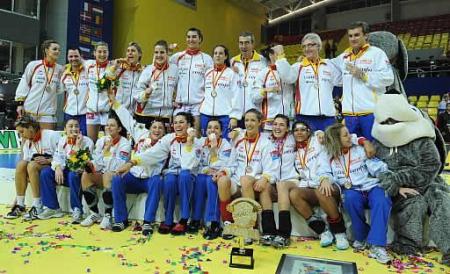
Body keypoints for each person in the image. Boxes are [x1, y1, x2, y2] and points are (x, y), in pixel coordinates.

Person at [372, 93, 450, 266]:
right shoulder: (378, 141)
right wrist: (394, 184)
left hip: (428, 181)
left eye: (392, 121)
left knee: (441, 198)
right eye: (385, 122)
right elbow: (374, 167)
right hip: (398, 187)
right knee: (413, 202)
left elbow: (432, 164)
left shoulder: (419, 135)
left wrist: (400, 178)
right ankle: (408, 244)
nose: (388, 125)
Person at [318, 123, 392, 264]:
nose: (350, 136)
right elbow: (323, 170)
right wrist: (325, 179)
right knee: (350, 199)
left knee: (382, 200)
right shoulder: (327, 153)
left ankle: (377, 245)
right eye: (345, 135)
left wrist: (390, 181)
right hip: (352, 189)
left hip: (372, 186)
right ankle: (362, 236)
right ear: (336, 139)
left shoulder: (358, 148)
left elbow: (378, 168)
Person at [130, 112, 201, 235]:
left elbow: (187, 165)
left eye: (181, 122)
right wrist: (133, 162)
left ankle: (184, 218)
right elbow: (154, 153)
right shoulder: (169, 138)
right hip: (173, 172)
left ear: (189, 125)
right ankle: (168, 219)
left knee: (184, 175)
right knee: (169, 179)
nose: (178, 125)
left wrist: (189, 143)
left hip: (189, 174)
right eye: (175, 122)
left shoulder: (196, 142)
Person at [217, 109, 279, 244]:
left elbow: (272, 167)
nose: (249, 123)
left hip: (256, 182)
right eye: (246, 120)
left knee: (245, 179)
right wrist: (224, 171)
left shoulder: (266, 142)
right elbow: (232, 163)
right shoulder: (238, 139)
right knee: (222, 181)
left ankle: (251, 227)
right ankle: (228, 223)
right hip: (239, 181)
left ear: (260, 123)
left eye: (253, 120)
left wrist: (265, 178)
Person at [109, 93, 166, 234]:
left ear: (164, 132)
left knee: (157, 181)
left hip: (149, 179)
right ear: (149, 129)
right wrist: (115, 103)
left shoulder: (165, 144)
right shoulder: (141, 134)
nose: (157, 130)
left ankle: (147, 222)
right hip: (133, 177)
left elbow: (150, 157)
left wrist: (131, 162)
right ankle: (121, 219)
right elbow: (127, 119)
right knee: (117, 179)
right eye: (154, 127)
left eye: (160, 128)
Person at [331, 21, 394, 140]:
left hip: (371, 113)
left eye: (356, 35)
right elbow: (329, 67)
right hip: (349, 115)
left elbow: (388, 78)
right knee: (353, 152)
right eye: (350, 36)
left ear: (366, 36)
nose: (353, 38)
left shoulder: (377, 53)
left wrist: (363, 75)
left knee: (373, 150)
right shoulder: (344, 57)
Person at [274, 33, 340, 131]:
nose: (307, 49)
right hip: (305, 117)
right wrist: (280, 57)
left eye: (310, 45)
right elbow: (287, 77)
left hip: (328, 117)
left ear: (319, 46)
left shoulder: (329, 64)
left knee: (329, 145)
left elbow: (340, 81)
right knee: (306, 146)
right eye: (304, 46)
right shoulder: (298, 66)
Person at [80, 115, 131, 229]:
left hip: (118, 175)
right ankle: (94, 213)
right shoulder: (101, 140)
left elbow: (119, 166)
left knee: (108, 174)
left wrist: (106, 153)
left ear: (119, 129)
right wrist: (91, 165)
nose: (108, 127)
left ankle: (108, 216)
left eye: (112, 125)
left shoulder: (125, 144)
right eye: (107, 125)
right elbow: (97, 161)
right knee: (86, 175)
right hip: (103, 173)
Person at [38, 119, 94, 223]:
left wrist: (78, 145)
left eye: (76, 126)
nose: (74, 129)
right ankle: (53, 208)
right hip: (65, 172)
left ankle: (77, 210)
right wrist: (58, 167)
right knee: (46, 173)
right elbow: (57, 157)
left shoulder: (87, 142)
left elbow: (79, 165)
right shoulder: (62, 140)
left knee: (73, 175)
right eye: (70, 126)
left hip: (80, 174)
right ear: (65, 129)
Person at [5, 116, 60, 220]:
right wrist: (16, 198)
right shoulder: (27, 143)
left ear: (30, 128)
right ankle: (20, 205)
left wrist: (49, 161)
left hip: (54, 168)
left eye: (22, 132)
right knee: (21, 164)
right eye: (19, 133)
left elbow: (64, 155)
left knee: (31, 165)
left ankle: (37, 205)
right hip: (35, 170)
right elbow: (24, 168)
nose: (21, 136)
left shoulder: (51, 135)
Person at [192, 119, 232, 239]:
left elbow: (224, 164)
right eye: (209, 127)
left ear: (221, 132)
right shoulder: (200, 143)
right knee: (199, 179)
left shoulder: (226, 145)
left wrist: (214, 150)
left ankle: (214, 223)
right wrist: (206, 170)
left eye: (216, 128)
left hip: (220, 175)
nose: (212, 130)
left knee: (211, 181)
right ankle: (196, 219)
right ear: (205, 130)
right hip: (204, 173)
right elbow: (196, 164)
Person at [170, 28, 213, 136]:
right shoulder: (177, 57)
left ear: (200, 39)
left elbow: (212, 82)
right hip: (180, 105)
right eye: (188, 37)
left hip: (197, 105)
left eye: (194, 37)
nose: (191, 39)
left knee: (196, 135)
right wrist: (171, 99)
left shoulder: (207, 59)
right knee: (178, 135)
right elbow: (165, 75)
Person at [15, 40, 64, 130]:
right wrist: (20, 104)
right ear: (46, 50)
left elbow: (59, 90)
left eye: (59, 50)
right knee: (27, 141)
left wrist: (64, 78)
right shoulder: (34, 65)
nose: (58, 51)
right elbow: (24, 84)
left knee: (46, 142)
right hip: (29, 111)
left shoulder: (60, 69)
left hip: (47, 113)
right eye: (54, 49)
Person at [199, 45, 242, 138]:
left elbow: (237, 95)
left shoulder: (232, 73)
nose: (218, 56)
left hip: (224, 115)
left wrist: (234, 117)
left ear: (226, 56)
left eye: (221, 53)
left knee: (225, 144)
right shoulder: (208, 72)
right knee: (206, 142)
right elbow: (202, 91)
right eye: (215, 53)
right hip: (206, 114)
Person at [134, 40, 177, 130]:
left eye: (162, 52)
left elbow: (178, 89)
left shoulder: (174, 69)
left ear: (167, 53)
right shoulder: (148, 70)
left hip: (166, 115)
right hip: (147, 114)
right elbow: (137, 93)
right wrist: (145, 94)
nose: (159, 55)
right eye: (156, 52)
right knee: (145, 143)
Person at [230, 31, 267, 128]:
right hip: (236, 115)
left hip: (254, 114)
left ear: (253, 44)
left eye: (247, 43)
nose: (243, 46)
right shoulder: (233, 61)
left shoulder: (263, 61)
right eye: (241, 43)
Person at [252, 46, 295, 131]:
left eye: (282, 53)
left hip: (288, 121)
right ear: (271, 55)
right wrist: (266, 90)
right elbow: (254, 97)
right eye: (278, 53)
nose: (281, 56)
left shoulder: (290, 70)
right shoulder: (263, 73)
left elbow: (292, 81)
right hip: (270, 121)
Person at [105, 42, 143, 114]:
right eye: (128, 51)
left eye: (133, 51)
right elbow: (104, 81)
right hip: (117, 111)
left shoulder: (142, 72)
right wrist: (115, 67)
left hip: (134, 114)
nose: (130, 53)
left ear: (140, 54)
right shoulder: (120, 68)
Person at [85, 42, 112, 143]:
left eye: (105, 52)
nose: (102, 54)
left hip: (107, 111)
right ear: (94, 53)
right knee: (91, 142)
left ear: (108, 53)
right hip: (92, 110)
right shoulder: (88, 64)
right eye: (99, 51)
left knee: (109, 142)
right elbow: (74, 62)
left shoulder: (113, 66)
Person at [60, 47, 89, 136]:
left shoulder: (87, 70)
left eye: (76, 56)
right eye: (70, 56)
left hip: (85, 113)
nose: (73, 59)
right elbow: (60, 90)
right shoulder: (64, 73)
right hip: (69, 113)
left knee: (84, 139)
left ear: (81, 56)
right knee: (70, 139)